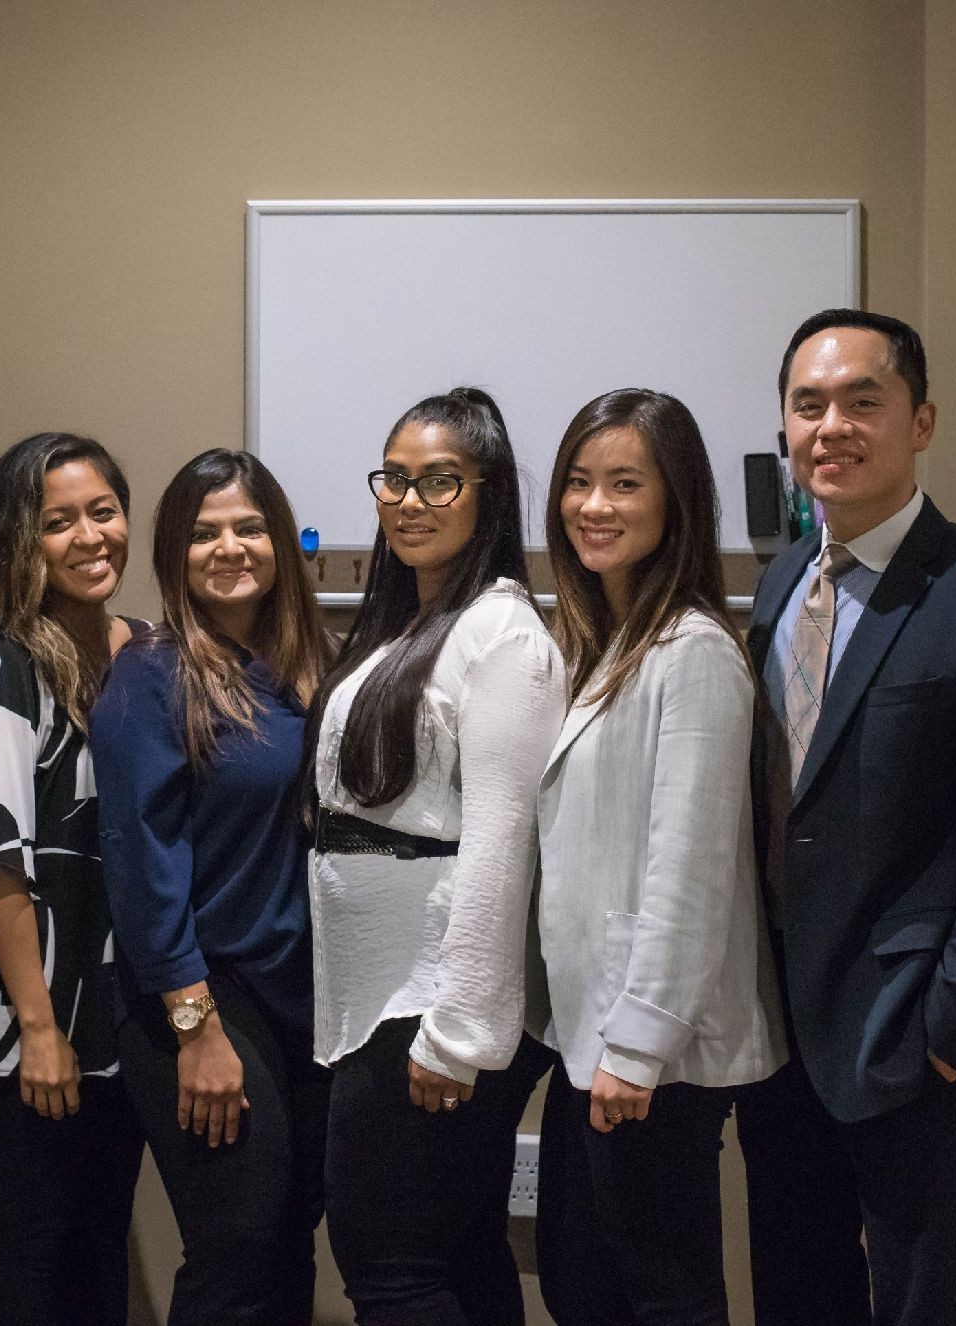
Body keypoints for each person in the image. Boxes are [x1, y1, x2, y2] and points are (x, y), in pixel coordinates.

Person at [733, 309, 956, 1326]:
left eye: (862, 401)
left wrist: (954, 1026)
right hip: (779, 1027)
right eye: (807, 405)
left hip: (909, 1030)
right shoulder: (781, 583)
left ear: (920, 422)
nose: (830, 427)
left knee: (918, 1302)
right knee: (796, 1292)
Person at [307, 387, 566, 1326]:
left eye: (440, 482)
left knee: (391, 1266)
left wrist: (459, 1033)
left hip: (429, 1005)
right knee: (455, 1255)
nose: (409, 502)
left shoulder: (504, 636)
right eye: (395, 480)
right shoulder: (408, 623)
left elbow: (502, 843)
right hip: (381, 996)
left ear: (489, 495)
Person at [531, 389, 786, 1325]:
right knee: (583, 1283)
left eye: (625, 484)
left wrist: (639, 1048)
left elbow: (692, 870)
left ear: (676, 501)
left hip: (654, 1047)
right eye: (578, 482)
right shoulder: (601, 645)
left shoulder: (694, 651)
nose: (593, 505)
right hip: (594, 1031)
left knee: (662, 1295)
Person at [90, 449, 336, 1324]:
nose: (229, 548)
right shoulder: (151, 676)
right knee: (237, 1246)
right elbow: (141, 859)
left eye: (248, 528)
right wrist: (195, 1028)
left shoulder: (318, 670)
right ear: (174, 554)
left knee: (292, 1239)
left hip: (306, 999)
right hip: (201, 994)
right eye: (204, 534)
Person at [0, 432, 148, 1326]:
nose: (89, 537)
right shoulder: (7, 664)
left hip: (129, 1011)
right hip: (41, 1013)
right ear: (21, 542)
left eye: (103, 512)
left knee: (103, 1236)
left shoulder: (147, 653)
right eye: (58, 523)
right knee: (39, 1240)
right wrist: (37, 1028)